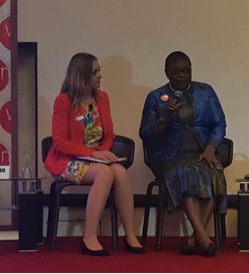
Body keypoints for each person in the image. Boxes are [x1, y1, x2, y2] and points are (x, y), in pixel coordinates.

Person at [44, 53, 145, 256]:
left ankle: (130, 234)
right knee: (105, 173)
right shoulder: (63, 101)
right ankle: (89, 237)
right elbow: (60, 142)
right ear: (81, 75)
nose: (100, 76)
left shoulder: (103, 98)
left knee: (120, 173)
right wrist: (93, 153)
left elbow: (109, 134)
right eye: (95, 72)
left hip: (94, 158)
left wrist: (103, 152)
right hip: (68, 161)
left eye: (99, 71)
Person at [139, 51, 227, 257]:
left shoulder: (206, 92)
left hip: (200, 152)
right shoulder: (155, 97)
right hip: (167, 156)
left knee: (216, 174)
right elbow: (145, 133)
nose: (182, 75)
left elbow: (219, 123)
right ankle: (204, 239)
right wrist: (165, 119)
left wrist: (210, 149)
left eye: (186, 71)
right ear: (167, 73)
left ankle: (194, 238)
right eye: (176, 72)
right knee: (183, 172)